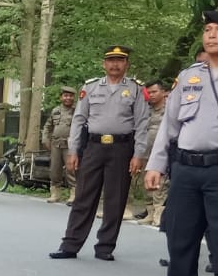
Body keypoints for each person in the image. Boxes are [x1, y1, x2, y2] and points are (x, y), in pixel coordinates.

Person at [144, 13, 218, 276]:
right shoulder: (188, 77)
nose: (211, 35)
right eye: (207, 30)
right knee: (181, 237)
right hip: (185, 169)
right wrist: (156, 165)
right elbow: (170, 125)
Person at [49, 46, 148, 262]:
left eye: (120, 60)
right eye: (111, 60)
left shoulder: (135, 89)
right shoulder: (91, 88)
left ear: (126, 64)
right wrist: (73, 150)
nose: (115, 64)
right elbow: (78, 120)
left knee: (116, 199)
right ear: (104, 64)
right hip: (93, 147)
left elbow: (141, 124)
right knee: (84, 196)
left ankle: (105, 246)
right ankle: (70, 244)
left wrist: (138, 154)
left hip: (122, 148)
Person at [136, 80, 168, 225]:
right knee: (146, 182)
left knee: (160, 184)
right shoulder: (145, 110)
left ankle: (159, 214)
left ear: (163, 92)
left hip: (162, 154)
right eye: (149, 92)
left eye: (154, 92)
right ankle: (149, 212)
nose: (151, 95)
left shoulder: (170, 109)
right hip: (145, 152)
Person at [43, 85, 78, 202]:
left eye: (70, 96)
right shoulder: (55, 111)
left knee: (71, 169)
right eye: (65, 96)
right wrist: (45, 138)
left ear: (74, 98)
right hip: (56, 144)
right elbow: (48, 126)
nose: (68, 98)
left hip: (70, 145)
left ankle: (73, 194)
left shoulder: (77, 111)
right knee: (54, 170)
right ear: (61, 97)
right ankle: (55, 193)